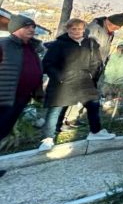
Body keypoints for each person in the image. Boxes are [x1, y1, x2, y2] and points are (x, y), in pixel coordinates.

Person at [39, 18, 115, 152]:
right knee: (55, 109)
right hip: (63, 82)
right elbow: (47, 64)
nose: (77, 31)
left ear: (84, 29)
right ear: (67, 29)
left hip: (84, 80)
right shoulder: (59, 44)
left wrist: (91, 74)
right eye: (73, 28)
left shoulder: (90, 43)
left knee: (93, 106)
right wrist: (59, 77)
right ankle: (48, 139)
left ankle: (95, 132)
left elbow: (96, 61)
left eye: (80, 28)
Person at [0, 14, 44, 146]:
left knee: (3, 131)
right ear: (15, 29)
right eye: (27, 27)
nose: (32, 29)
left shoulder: (32, 48)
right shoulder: (3, 45)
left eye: (33, 27)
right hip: (3, 99)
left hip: (21, 99)